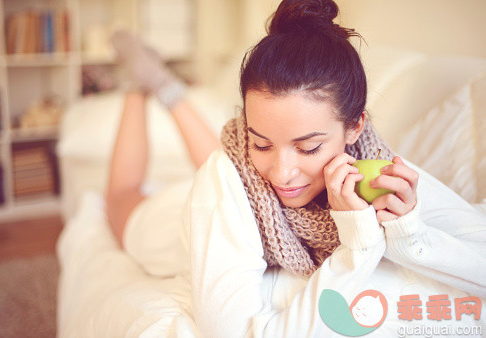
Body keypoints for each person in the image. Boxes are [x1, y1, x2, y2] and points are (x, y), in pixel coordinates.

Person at [107, 0, 486, 336]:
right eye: (260, 140)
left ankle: (162, 83)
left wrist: (407, 231)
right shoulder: (222, 181)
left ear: (355, 126)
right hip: (182, 222)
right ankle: (140, 85)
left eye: (308, 147)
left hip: (233, 194)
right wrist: (358, 245)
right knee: (123, 198)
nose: (283, 172)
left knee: (243, 166)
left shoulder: (377, 169)